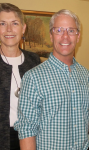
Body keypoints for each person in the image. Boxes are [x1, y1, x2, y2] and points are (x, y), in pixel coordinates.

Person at [14, 9, 89, 150]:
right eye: (59, 30)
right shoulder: (33, 78)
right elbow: (27, 130)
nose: (65, 36)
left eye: (71, 31)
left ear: (78, 36)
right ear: (51, 36)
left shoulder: (87, 75)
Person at [0, 3, 40, 150]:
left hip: (31, 136)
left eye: (14, 23)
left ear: (23, 28)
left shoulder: (34, 60)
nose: (9, 29)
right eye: (2, 23)